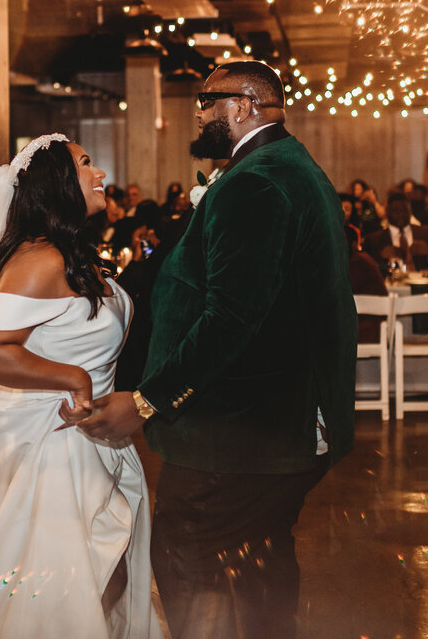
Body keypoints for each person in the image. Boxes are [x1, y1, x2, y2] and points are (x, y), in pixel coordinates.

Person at [79, 60, 357, 639]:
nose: (199, 113)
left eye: (207, 101)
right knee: (258, 569)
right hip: (278, 422)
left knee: (188, 558)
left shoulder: (256, 181)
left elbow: (231, 319)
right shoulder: (286, 168)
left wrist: (149, 400)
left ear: (247, 104)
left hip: (238, 433)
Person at [0, 134, 160, 639]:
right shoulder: (39, 262)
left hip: (87, 433)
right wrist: (72, 377)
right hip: (53, 442)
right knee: (59, 583)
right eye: (87, 164)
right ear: (58, 184)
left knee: (89, 573)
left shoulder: (69, 255)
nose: (100, 175)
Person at [364, 192, 428, 275]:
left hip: (422, 285)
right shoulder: (374, 240)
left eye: (404, 210)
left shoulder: (427, 234)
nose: (400, 214)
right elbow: (367, 270)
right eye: (396, 211)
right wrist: (381, 258)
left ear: (410, 211)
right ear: (387, 212)